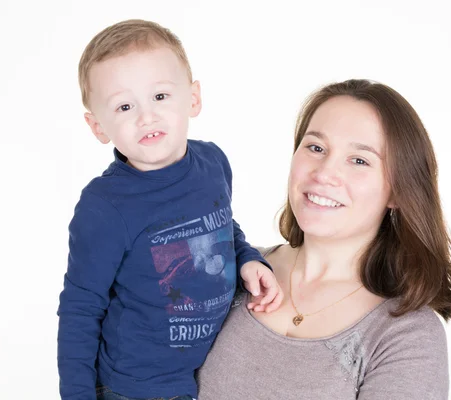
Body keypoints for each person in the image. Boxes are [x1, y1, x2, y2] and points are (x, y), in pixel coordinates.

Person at [196, 79, 451, 399]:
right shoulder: (227, 267)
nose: (324, 173)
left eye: (359, 160)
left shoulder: (407, 336)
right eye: (316, 147)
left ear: (397, 190)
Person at [57, 19, 283, 400]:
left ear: (193, 98)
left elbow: (223, 224)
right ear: (98, 126)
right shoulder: (105, 206)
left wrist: (247, 259)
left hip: (208, 369)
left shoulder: (212, 163)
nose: (146, 116)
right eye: (125, 106)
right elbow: (80, 309)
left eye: (160, 96)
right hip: (137, 385)